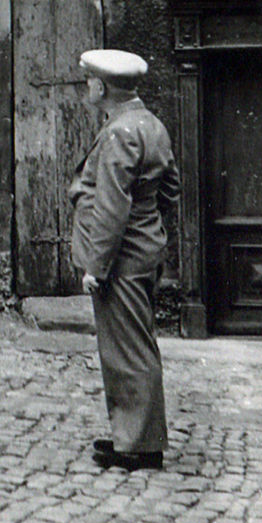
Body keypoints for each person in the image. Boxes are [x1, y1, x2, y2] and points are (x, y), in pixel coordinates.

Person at [69, 48, 180, 471]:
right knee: (138, 343)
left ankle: (138, 446)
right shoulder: (152, 125)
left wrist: (96, 268)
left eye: (90, 81)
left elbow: (111, 207)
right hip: (144, 250)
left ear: (101, 87)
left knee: (126, 351)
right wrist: (150, 230)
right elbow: (170, 191)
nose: (88, 87)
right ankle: (137, 436)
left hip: (121, 259)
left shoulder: (119, 132)